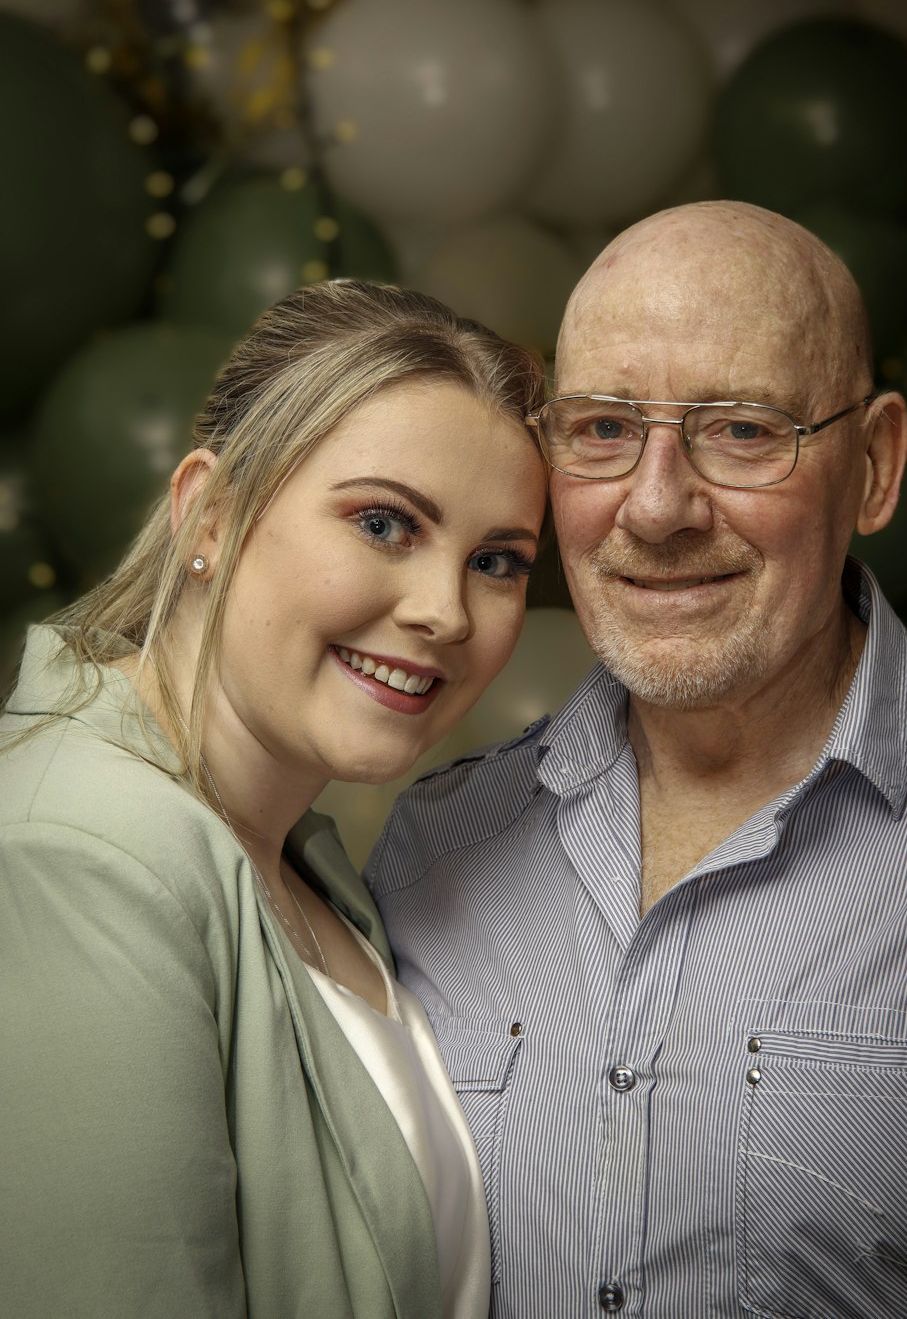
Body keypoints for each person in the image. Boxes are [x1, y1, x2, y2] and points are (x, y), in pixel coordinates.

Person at [368, 201, 907, 1319]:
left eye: (744, 430)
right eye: (604, 429)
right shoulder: (432, 853)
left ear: (875, 465)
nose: (655, 508)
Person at [0, 278, 547, 1318]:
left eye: (496, 561)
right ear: (208, 512)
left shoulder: (300, 861)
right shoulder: (85, 853)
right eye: (384, 523)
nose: (444, 612)